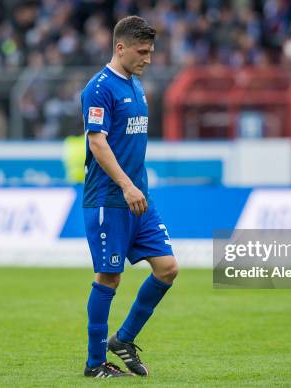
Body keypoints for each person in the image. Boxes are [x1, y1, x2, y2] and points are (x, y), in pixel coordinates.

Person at [80, 15, 179, 378]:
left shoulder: (136, 85)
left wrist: (137, 187)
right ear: (120, 47)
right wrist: (125, 184)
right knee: (109, 278)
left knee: (168, 269)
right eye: (142, 52)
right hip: (110, 199)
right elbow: (97, 141)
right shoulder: (99, 88)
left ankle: (123, 339)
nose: (148, 58)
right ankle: (94, 364)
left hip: (140, 198)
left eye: (151, 52)